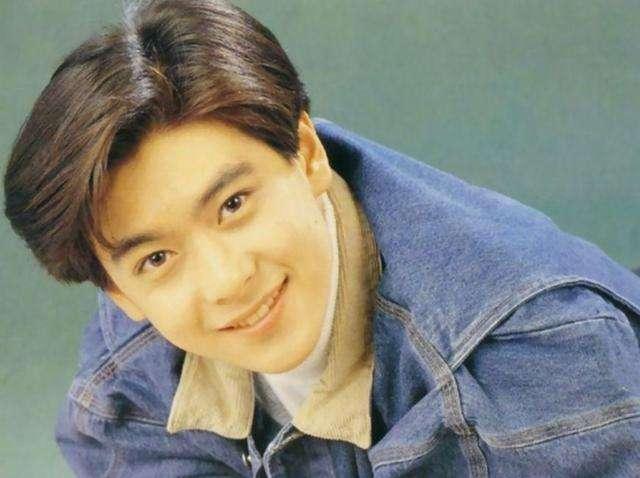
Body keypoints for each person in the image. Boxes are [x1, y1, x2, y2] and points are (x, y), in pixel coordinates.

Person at [4, 0, 640, 476]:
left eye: (233, 205)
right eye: (159, 258)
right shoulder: (129, 374)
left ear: (307, 153)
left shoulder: (528, 349)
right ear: (120, 294)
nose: (227, 280)